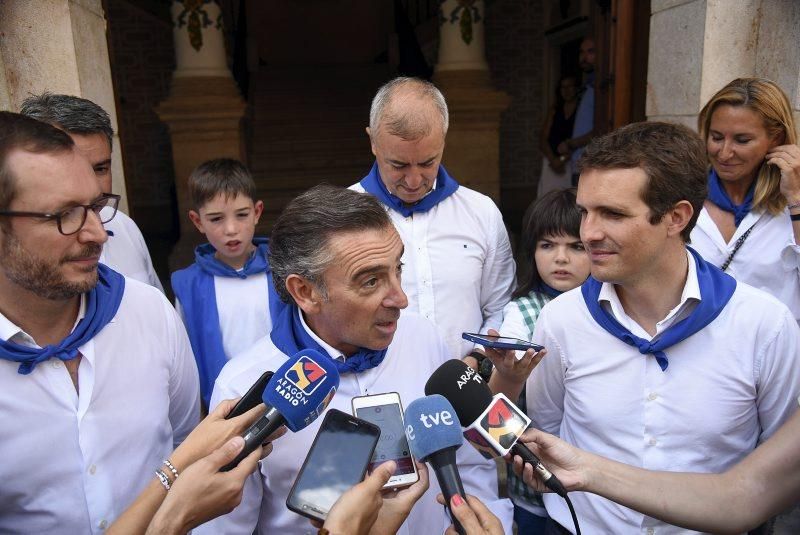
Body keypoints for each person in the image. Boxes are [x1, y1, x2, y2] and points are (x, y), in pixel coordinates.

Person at [500, 121, 800, 534]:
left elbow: (778, 468)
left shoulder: (763, 326)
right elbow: (550, 431)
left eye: (613, 214)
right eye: (585, 211)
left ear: (676, 217)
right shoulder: (561, 320)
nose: (589, 233)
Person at [197, 185, 513, 534]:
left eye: (398, 269)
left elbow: (467, 463)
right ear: (306, 291)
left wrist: (485, 521)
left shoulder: (423, 337)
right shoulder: (243, 385)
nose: (401, 298)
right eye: (371, 281)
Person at [0, 112, 200, 532]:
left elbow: (186, 442)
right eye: (65, 214)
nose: (97, 234)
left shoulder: (149, 313)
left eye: (95, 207)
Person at [351, 77, 516, 362]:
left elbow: (501, 306)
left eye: (428, 162)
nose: (414, 180)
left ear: (444, 139)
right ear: (373, 142)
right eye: (398, 165)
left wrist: (479, 360)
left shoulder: (481, 212)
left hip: (468, 386)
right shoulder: (343, 217)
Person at [510, 404, 800, 535]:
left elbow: (744, 499)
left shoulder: (766, 322)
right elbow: (740, 497)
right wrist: (585, 471)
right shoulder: (562, 319)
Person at [488, 188, 590, 533]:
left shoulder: (609, 307)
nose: (560, 258)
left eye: (576, 246)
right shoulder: (522, 312)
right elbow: (497, 411)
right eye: (547, 245)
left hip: (596, 481)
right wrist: (508, 371)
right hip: (533, 472)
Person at [20, 92, 164, 292]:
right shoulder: (19, 246)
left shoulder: (124, 226)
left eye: (100, 169)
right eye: (74, 170)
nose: (94, 187)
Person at [690, 77, 800, 322]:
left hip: (775, 353)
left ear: (777, 140)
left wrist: (795, 199)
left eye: (742, 140)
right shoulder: (683, 195)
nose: (725, 152)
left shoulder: (792, 202)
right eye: (717, 137)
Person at [171, 158, 274, 407]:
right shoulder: (189, 285)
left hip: (282, 398)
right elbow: (184, 362)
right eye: (216, 219)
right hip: (223, 406)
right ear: (198, 222)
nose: (231, 229)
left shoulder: (284, 270)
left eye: (242, 215)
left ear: (257, 212)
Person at [557, 38, 595, 186]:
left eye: (591, 51)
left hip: (592, 165)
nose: (584, 57)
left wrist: (570, 144)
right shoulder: (588, 85)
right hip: (579, 163)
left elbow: (601, 128)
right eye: (581, 52)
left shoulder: (601, 88)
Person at [537, 76, 579, 197]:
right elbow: (543, 138)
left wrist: (562, 160)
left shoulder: (581, 109)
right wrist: (553, 160)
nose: (567, 90)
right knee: (548, 198)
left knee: (568, 200)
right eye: (563, 87)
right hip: (551, 160)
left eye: (570, 86)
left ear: (576, 88)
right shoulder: (555, 109)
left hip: (571, 162)